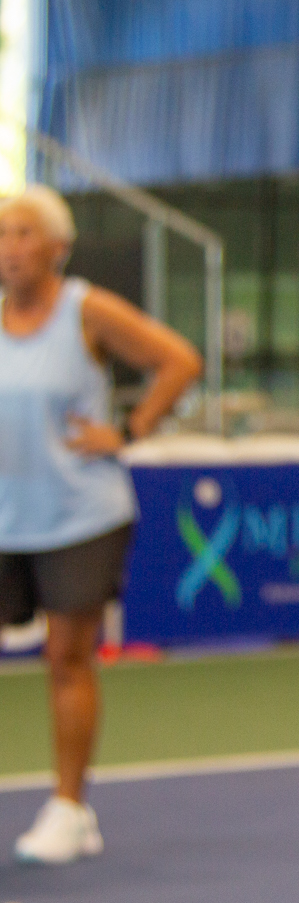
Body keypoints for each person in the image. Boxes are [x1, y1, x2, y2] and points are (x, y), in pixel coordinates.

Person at [0, 186, 200, 865]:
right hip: (6, 518)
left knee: (66, 656)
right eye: (2, 234)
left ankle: (69, 808)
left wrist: (132, 428)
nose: (10, 247)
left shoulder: (89, 310)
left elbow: (180, 360)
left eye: (24, 233)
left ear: (57, 247)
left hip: (81, 513)